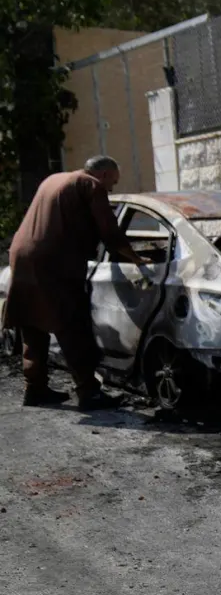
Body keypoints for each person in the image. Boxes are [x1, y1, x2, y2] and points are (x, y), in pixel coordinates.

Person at [3, 156, 145, 409]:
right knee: (72, 325)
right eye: (112, 183)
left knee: (32, 323)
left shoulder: (54, 179)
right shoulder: (90, 185)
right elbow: (110, 231)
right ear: (102, 175)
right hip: (54, 262)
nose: (111, 189)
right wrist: (136, 259)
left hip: (22, 256)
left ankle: (35, 389)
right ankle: (89, 392)